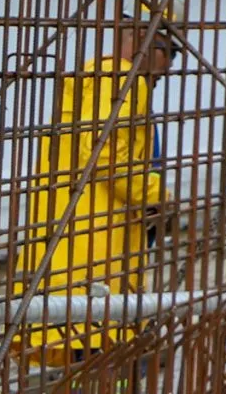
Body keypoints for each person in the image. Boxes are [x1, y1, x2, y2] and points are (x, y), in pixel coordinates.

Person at [19, 18, 177, 358]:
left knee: (77, 335)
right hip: (95, 240)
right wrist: (157, 195)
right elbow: (104, 153)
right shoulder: (120, 82)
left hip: (78, 233)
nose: (170, 66)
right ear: (140, 39)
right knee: (94, 340)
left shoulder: (97, 78)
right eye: (169, 51)